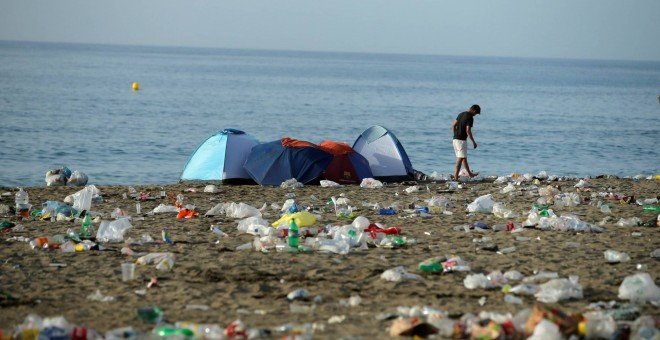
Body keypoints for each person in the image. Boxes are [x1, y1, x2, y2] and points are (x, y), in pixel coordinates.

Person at [451, 104, 481, 180]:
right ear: (474, 111)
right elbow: (468, 131)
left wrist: (455, 135)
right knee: (460, 159)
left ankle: (470, 174)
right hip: (461, 140)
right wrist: (473, 142)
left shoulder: (461, 114)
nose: (475, 115)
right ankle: (455, 177)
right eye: (476, 114)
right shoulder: (470, 117)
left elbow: (453, 125)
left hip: (455, 139)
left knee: (464, 158)